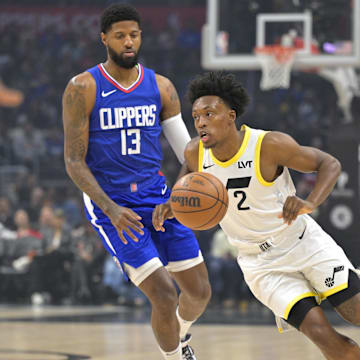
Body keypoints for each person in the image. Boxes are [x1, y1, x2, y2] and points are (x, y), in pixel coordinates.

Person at [176, 71, 360, 360]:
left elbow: (330, 163)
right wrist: (170, 205)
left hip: (302, 241)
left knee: (356, 310)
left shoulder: (268, 145)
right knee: (326, 339)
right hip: (260, 265)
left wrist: (310, 202)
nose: (200, 122)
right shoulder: (195, 154)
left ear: (230, 115)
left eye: (209, 113)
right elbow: (183, 191)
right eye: (196, 116)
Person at [62, 4, 211, 360]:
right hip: (111, 203)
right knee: (163, 293)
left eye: (134, 34)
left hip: (158, 196)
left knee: (200, 293)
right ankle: (174, 357)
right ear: (104, 39)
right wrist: (111, 210)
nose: (128, 42)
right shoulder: (82, 87)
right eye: (120, 36)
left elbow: (189, 154)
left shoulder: (161, 87)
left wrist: (174, 200)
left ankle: (180, 335)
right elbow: (72, 161)